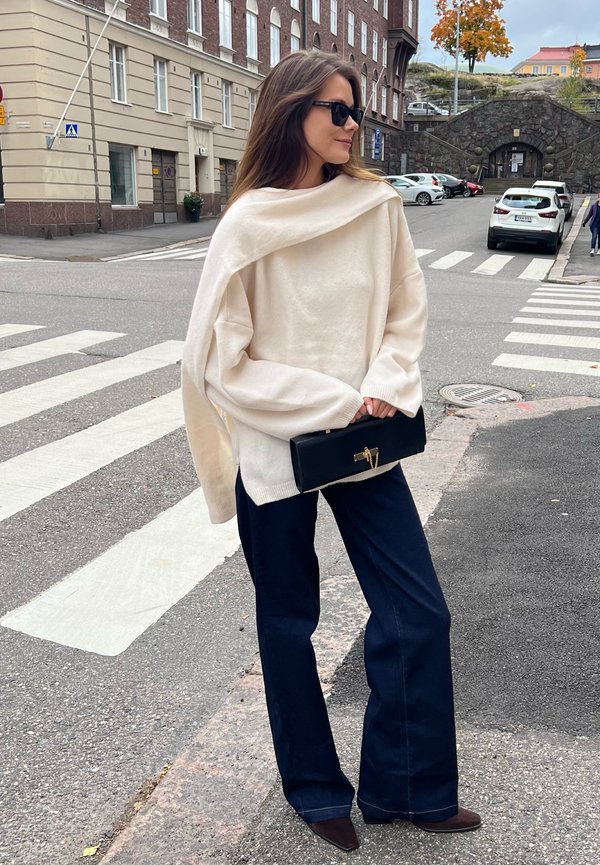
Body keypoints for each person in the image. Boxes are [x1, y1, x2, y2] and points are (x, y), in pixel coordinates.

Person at [182, 50, 481, 853]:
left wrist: (383, 383)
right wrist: (337, 402)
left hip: (368, 437)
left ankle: (408, 785)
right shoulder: (248, 224)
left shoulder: (375, 206)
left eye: (359, 113)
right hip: (281, 445)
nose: (355, 126)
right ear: (292, 114)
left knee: (418, 612)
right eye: (338, 111)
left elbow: (405, 308)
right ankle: (314, 788)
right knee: (289, 622)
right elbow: (223, 363)